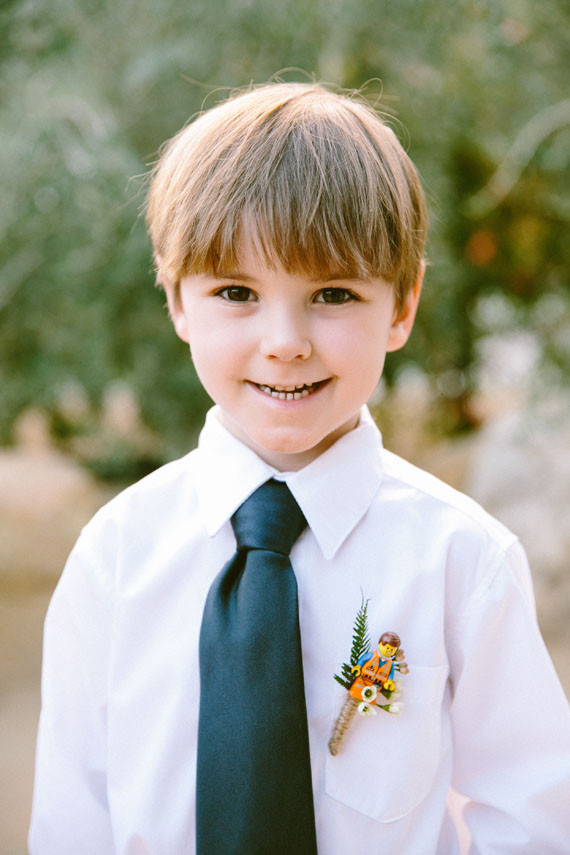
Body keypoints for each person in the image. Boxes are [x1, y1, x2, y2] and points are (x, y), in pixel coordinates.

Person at [29, 82, 570, 853]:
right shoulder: (115, 558)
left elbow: (534, 821)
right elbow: (72, 822)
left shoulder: (462, 561)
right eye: (237, 291)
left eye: (333, 293)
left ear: (404, 304)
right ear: (178, 298)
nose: (285, 341)